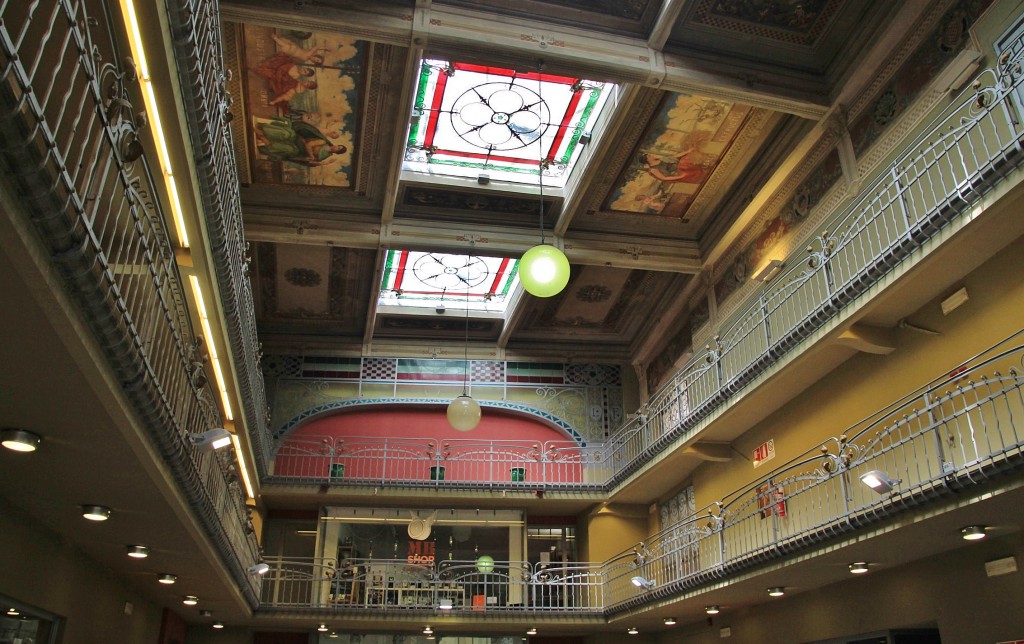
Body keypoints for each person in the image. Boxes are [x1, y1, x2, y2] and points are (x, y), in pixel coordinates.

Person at [255, 116, 346, 167]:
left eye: (338, 149)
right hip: (297, 140)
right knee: (286, 134)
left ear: (336, 152)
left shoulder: (324, 156)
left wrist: (319, 161)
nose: (336, 147)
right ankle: (263, 131)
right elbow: (309, 144)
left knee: (289, 150)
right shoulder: (323, 142)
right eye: (338, 146)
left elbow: (310, 162)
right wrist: (311, 155)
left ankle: (266, 143)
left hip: (297, 151)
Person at [639, 148, 707, 184]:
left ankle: (704, 165)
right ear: (647, 160)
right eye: (650, 156)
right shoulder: (653, 169)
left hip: (681, 166)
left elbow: (675, 157)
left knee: (685, 160)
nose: (652, 155)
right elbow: (664, 178)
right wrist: (680, 176)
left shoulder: (661, 159)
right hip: (676, 174)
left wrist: (688, 151)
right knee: (684, 162)